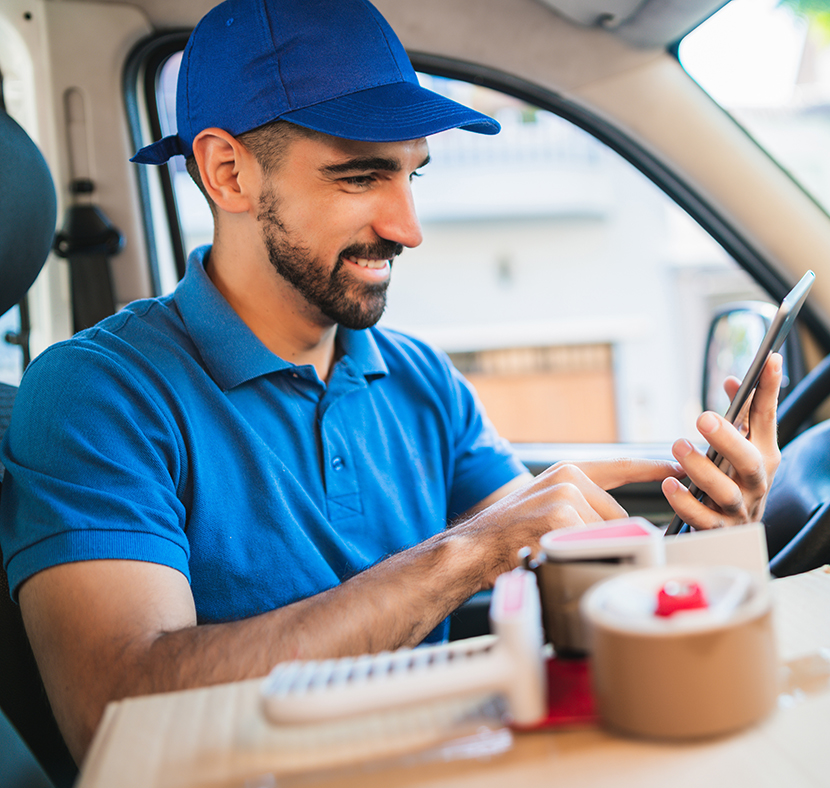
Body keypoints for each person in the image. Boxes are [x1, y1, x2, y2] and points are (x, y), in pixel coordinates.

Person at [0, 0, 782, 762]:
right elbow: (117, 719)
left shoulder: (419, 380)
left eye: (413, 174)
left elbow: (546, 577)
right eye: (360, 176)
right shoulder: (96, 396)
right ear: (227, 171)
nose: (407, 226)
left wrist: (713, 536)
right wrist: (465, 551)